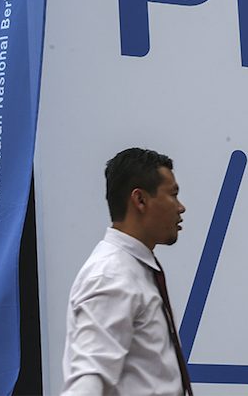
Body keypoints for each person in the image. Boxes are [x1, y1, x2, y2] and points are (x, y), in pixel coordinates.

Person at [61, 148, 193, 396]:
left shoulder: (132, 270)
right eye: (173, 195)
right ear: (140, 200)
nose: (181, 207)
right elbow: (88, 379)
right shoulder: (111, 276)